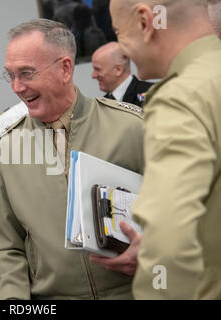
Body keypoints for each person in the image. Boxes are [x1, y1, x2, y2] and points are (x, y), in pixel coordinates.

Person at [0, 18, 144, 300]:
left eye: (26, 73)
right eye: (10, 75)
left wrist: (153, 253)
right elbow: (7, 247)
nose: (17, 87)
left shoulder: (131, 127)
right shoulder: (4, 151)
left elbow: (179, 213)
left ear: (65, 68)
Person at [109, 0, 221, 299]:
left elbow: (169, 243)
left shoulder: (180, 98)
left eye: (119, 32)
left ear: (145, 22)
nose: (121, 47)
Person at [92, 42, 152, 107]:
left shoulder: (151, 94)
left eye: (98, 69)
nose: (93, 75)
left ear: (118, 70)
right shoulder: (101, 105)